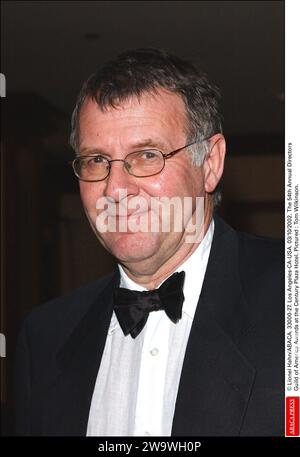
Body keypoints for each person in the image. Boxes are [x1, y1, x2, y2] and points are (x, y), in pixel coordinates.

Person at [15, 48, 284, 436]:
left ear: (209, 164)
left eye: (145, 155)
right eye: (96, 160)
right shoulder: (44, 338)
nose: (116, 188)